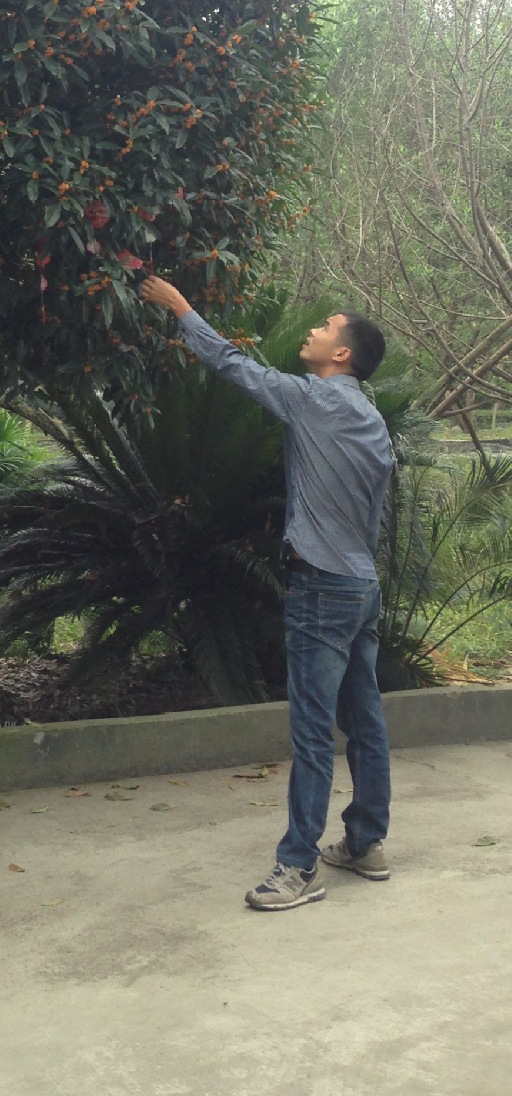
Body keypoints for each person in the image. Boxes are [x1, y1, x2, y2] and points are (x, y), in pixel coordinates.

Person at [140, 276, 395, 911]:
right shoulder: (371, 419)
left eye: (325, 327)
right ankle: (366, 842)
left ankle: (297, 867)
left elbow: (234, 365)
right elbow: (374, 516)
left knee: (312, 733)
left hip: (322, 590)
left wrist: (182, 310)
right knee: (364, 721)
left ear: (342, 354)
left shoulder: (316, 402)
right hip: (362, 585)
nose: (312, 330)